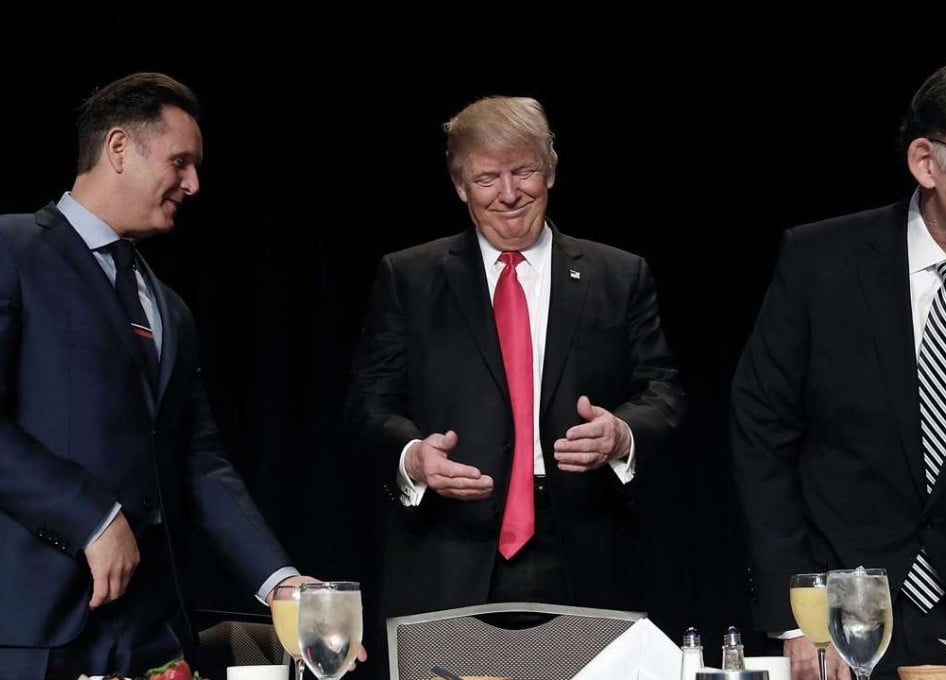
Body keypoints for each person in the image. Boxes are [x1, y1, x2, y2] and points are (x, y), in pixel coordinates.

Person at [0, 72, 365, 679]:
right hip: (36, 633)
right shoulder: (11, 251)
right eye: (181, 162)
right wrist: (91, 515)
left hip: (153, 634)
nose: (193, 184)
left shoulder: (168, 305)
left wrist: (279, 582)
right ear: (118, 148)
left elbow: (200, 461)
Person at [729, 58, 946, 680]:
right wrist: (798, 614)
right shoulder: (821, 262)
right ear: (926, 162)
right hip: (849, 625)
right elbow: (762, 434)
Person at [348, 95, 684, 625]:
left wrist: (622, 432)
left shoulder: (618, 275)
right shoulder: (409, 278)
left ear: (549, 172)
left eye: (524, 171)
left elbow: (663, 391)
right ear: (459, 185)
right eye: (486, 179)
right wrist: (412, 457)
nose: (509, 195)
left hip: (584, 550)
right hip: (447, 552)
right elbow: (369, 404)